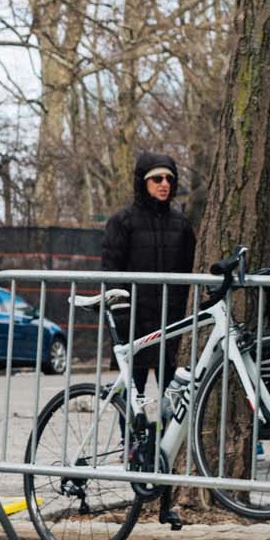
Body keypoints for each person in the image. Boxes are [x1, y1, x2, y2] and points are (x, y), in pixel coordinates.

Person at [99, 152, 196, 390]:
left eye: (169, 179)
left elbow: (191, 268)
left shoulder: (181, 224)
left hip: (172, 321)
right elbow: (111, 268)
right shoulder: (122, 221)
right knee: (133, 394)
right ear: (143, 182)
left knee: (171, 393)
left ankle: (164, 430)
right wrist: (121, 314)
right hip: (135, 321)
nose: (164, 184)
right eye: (157, 179)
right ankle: (131, 430)